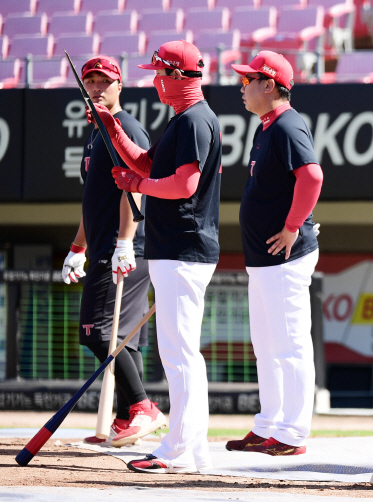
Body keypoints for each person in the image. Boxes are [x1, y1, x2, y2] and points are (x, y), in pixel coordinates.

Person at [90, 40, 222, 474]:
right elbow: (147, 164)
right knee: (179, 353)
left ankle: (178, 450)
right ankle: (191, 448)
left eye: (161, 73)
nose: (155, 81)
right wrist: (112, 129)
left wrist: (136, 184)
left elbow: (182, 185)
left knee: (180, 354)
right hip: (178, 248)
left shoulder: (194, 120)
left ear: (179, 77)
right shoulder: (183, 119)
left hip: (184, 248)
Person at [62, 55, 166, 448]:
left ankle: (142, 406)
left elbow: (134, 186)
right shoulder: (95, 133)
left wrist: (124, 241)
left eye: (104, 81)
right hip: (105, 245)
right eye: (89, 82)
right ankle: (127, 419)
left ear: (119, 85)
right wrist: (77, 248)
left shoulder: (125, 127)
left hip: (125, 248)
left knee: (97, 332)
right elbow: (94, 201)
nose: (96, 87)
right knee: (122, 339)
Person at [225, 51, 323, 456]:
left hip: (286, 257)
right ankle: (270, 424)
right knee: (266, 347)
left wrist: (292, 226)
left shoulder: (287, 124)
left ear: (269, 84)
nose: (241, 87)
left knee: (290, 345)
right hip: (264, 260)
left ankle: (293, 434)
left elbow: (312, 176)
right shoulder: (267, 127)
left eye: (248, 80)